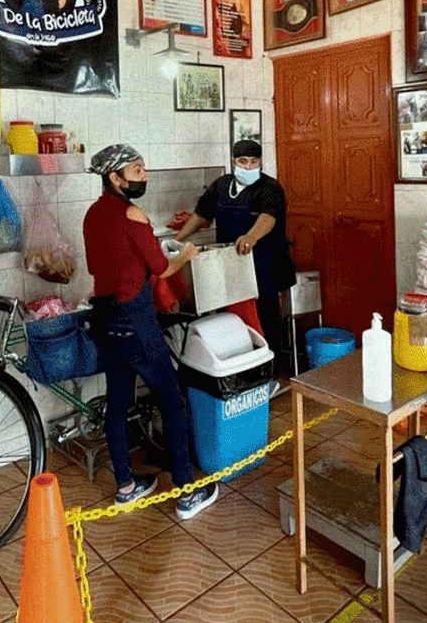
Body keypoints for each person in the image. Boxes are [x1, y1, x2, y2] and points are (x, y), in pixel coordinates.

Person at [83, 144, 219, 519]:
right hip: (135, 320)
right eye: (137, 170)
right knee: (172, 400)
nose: (145, 176)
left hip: (106, 319)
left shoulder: (93, 214)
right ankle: (187, 494)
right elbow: (161, 267)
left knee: (118, 399)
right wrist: (186, 255)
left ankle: (126, 487)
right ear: (116, 177)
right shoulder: (132, 213)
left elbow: (99, 264)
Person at [174, 139, 296, 371]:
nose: (248, 167)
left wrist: (251, 236)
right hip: (230, 264)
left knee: (265, 318)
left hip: (264, 264)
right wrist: (178, 240)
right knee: (233, 319)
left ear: (260, 162)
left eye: (254, 162)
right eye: (243, 162)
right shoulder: (221, 185)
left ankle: (269, 371)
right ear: (233, 162)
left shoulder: (270, 188)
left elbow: (268, 217)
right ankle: (240, 369)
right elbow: (201, 214)